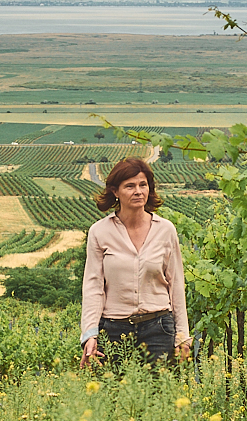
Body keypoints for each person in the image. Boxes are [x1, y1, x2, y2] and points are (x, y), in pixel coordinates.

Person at [80, 155, 191, 367]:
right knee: (114, 395)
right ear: (115, 191)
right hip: (113, 329)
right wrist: (90, 334)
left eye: (143, 184)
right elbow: (93, 287)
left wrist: (182, 334)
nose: (138, 191)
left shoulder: (166, 230)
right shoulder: (99, 232)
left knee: (158, 396)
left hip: (159, 328)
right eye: (130, 186)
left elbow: (176, 284)